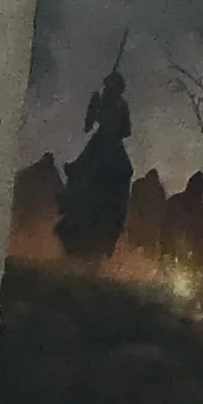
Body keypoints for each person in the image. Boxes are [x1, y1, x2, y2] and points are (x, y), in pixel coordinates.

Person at [55, 59, 135, 265]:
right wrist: (95, 106)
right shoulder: (103, 100)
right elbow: (88, 125)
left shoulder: (119, 104)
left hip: (110, 146)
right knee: (82, 172)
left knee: (124, 172)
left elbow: (126, 130)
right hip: (100, 145)